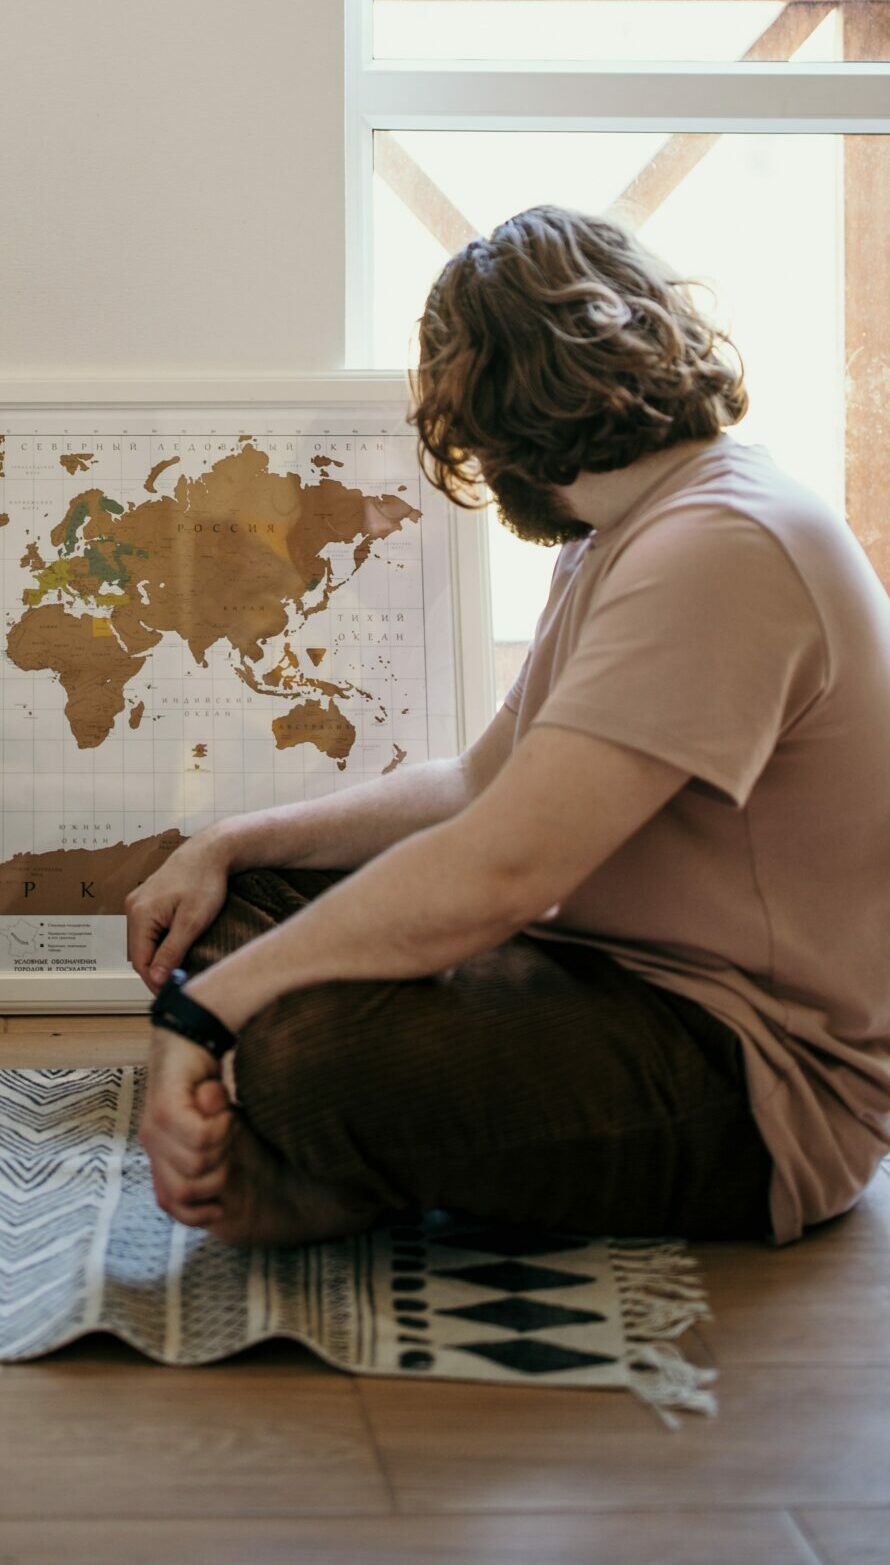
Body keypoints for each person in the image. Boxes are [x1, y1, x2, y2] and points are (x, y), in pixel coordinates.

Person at [127, 206, 890, 1248]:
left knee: (299, 1044)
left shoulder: (721, 545)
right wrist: (224, 843)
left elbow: (502, 868)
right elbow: (477, 784)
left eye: (465, 426)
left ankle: (323, 1163)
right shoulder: (622, 533)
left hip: (750, 1076)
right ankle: (328, 1156)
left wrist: (198, 1013)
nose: (473, 461)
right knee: (242, 896)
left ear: (497, 402)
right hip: (600, 977)